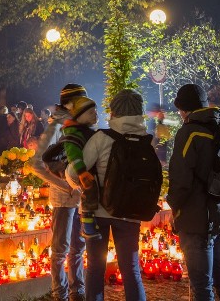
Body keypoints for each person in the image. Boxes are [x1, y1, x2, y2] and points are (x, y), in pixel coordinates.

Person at [168, 83, 220, 301]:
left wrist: (174, 206)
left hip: (199, 221)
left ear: (184, 109)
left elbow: (181, 180)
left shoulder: (189, 133)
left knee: (202, 286)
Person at [78, 89, 149, 301]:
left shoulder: (102, 138)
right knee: (131, 270)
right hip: (131, 211)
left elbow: (75, 172)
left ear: (114, 111)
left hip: (99, 211)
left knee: (95, 269)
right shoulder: (146, 140)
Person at [28, 83, 87, 301]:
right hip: (63, 199)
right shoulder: (55, 127)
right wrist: (63, 185)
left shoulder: (81, 125)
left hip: (81, 197)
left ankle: (77, 290)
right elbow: (36, 165)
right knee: (61, 248)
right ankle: (59, 293)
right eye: (80, 102)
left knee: (78, 247)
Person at [61, 96, 101, 225]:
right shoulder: (74, 134)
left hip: (88, 168)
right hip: (83, 170)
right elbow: (73, 154)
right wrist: (81, 171)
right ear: (80, 116)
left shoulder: (87, 132)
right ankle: (88, 224)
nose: (95, 114)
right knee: (89, 193)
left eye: (95, 111)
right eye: (90, 113)